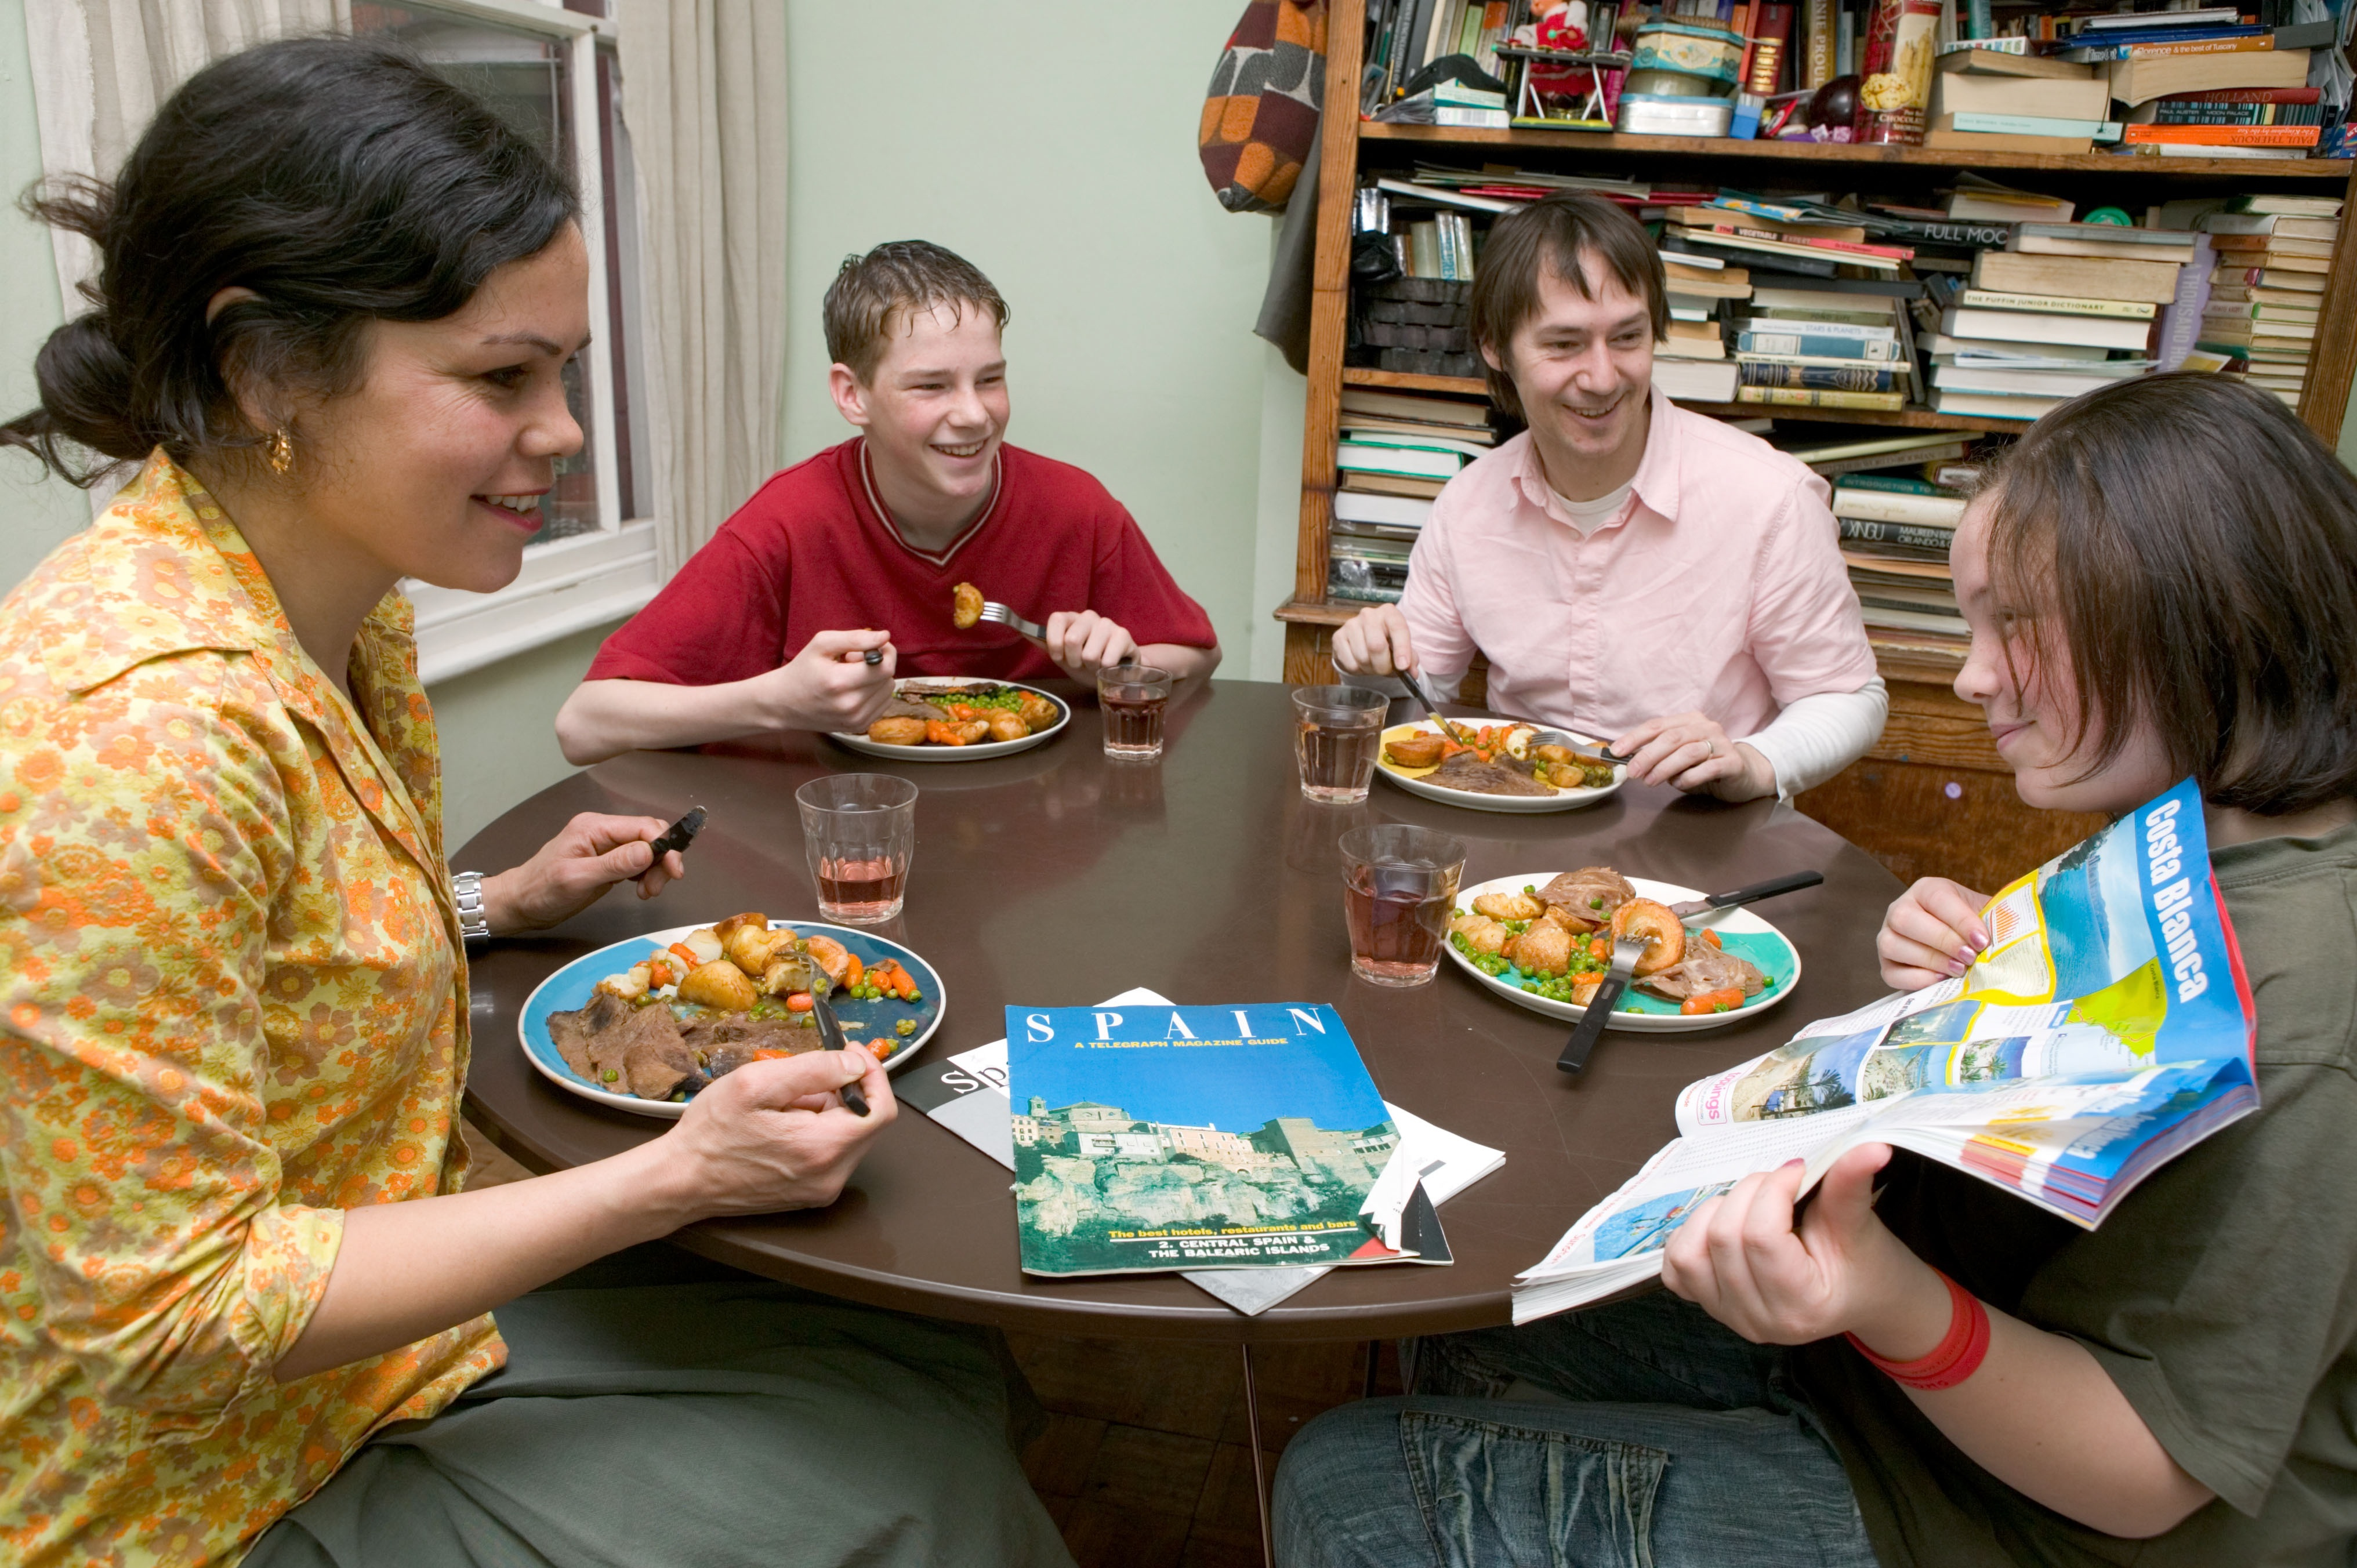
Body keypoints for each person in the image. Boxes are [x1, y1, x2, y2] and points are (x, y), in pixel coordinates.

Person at [0, 40, 1069, 1568]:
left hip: (384, 1350)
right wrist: (672, 1178)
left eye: (562, 366)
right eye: (504, 375)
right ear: (263, 366)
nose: (567, 429)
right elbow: (171, 1321)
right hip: (202, 1488)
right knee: (909, 1487)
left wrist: (488, 906)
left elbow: (232, 973)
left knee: (929, 1361)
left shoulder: (344, 610)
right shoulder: (138, 738)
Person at [1272, 373, 2357, 1567]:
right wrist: (1959, 976)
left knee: (1350, 1489)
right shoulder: (2195, 834)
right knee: (1481, 1329)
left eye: (2018, 625)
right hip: (1909, 1355)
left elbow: (2146, 1474)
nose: (1971, 678)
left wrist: (1880, 1293)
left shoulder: (2309, 998)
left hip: (2004, 1513)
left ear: (2184, 615)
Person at [553, 241, 1220, 764]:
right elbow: (583, 724)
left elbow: (1197, 657)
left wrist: (1124, 665)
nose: (973, 415)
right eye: (930, 386)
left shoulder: (1075, 508)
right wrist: (779, 700)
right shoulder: (789, 522)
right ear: (852, 396)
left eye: (990, 380)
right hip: (839, 847)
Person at [1328, 193, 1884, 803]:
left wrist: (1753, 762)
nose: (1601, 378)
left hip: (1702, 831)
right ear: (1493, 345)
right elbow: (1423, 692)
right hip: (1516, 821)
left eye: (1625, 337)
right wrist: (1373, 659)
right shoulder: (1467, 503)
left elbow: (1847, 697)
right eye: (1563, 345)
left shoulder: (1769, 499)